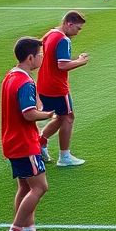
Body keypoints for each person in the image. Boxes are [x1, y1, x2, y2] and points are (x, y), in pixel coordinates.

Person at [0, 36, 59, 231]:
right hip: (24, 142)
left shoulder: (11, 76)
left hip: (12, 141)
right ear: (30, 57)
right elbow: (29, 114)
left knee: (25, 188)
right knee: (40, 187)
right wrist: (49, 114)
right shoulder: (25, 82)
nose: (42, 58)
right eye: (40, 55)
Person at [36, 11, 89, 167]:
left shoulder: (50, 33)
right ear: (69, 24)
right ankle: (64, 157)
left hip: (44, 83)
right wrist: (81, 61)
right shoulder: (63, 39)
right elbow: (63, 65)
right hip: (57, 86)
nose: (78, 32)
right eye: (78, 28)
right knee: (68, 117)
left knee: (60, 116)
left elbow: (42, 52)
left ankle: (40, 142)